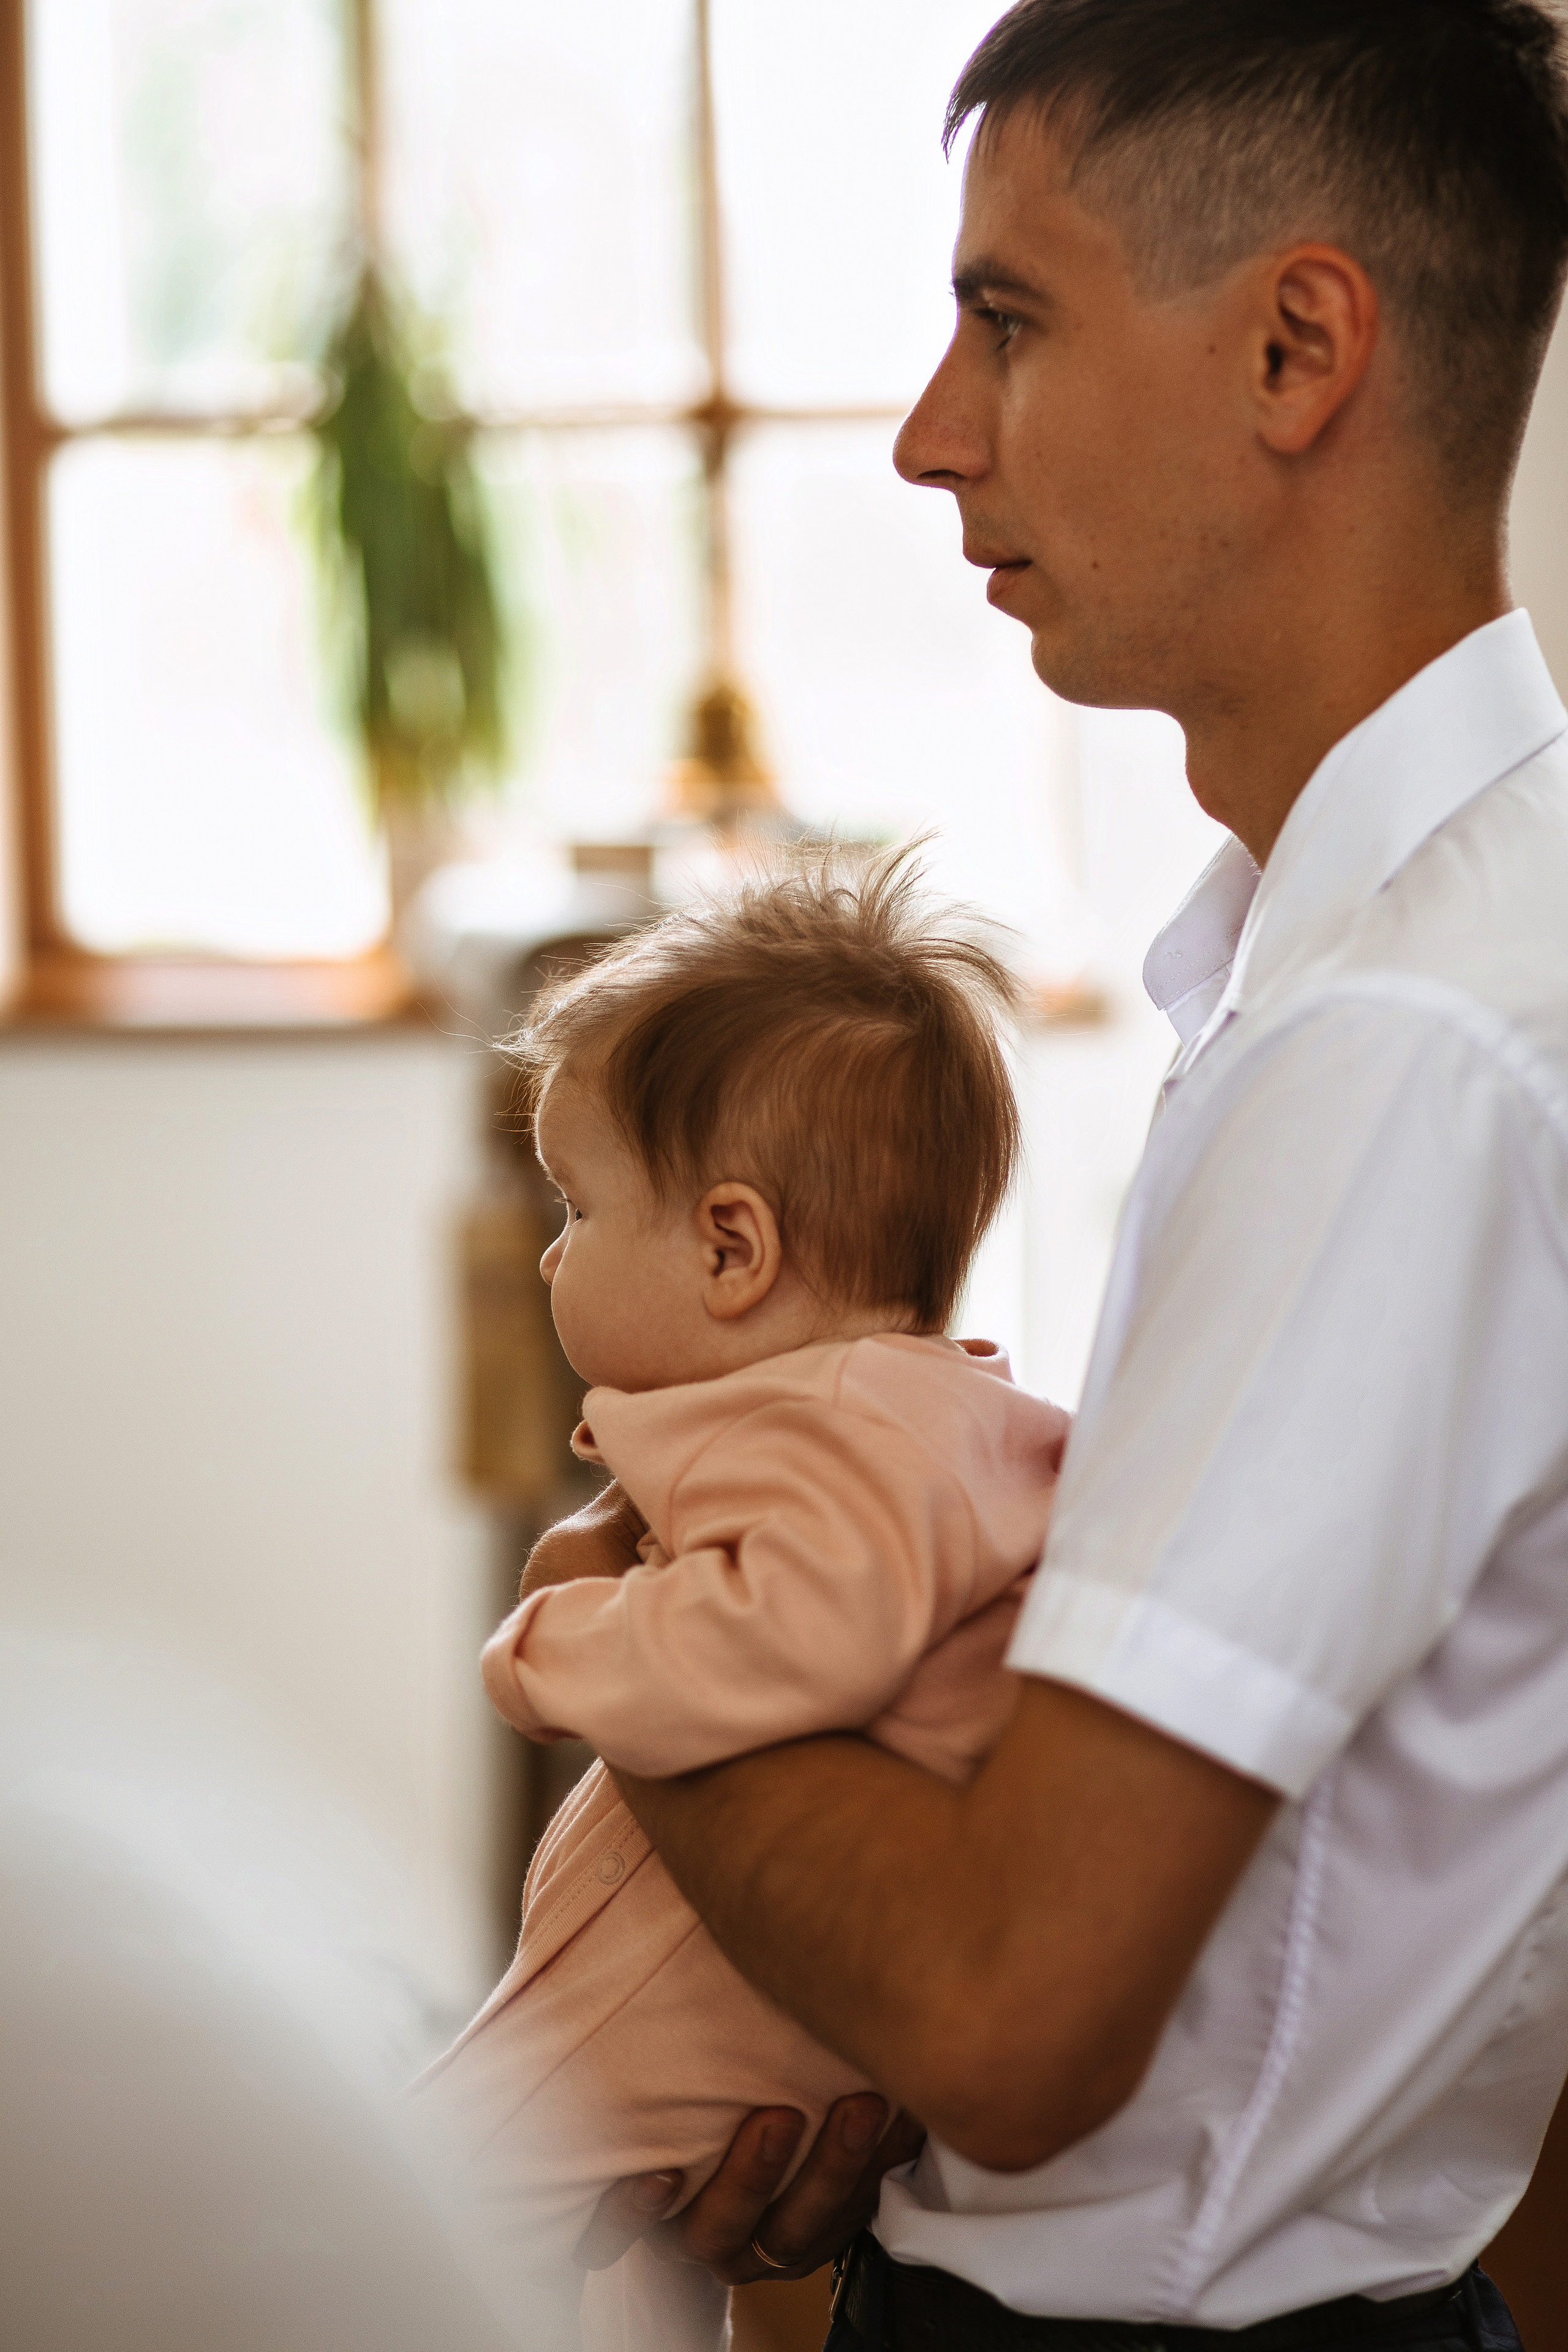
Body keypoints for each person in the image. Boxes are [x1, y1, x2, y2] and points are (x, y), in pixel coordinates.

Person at [524, 3, 1568, 2347]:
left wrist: (634, 1627)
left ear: (1299, 349)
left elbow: (1016, 2013)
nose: (929, 433)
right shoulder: (1401, 945)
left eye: (1008, 319)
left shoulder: (1403, 1045)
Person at [417, 856, 1069, 2352]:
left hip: (712, 1986)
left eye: (577, 1205)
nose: (550, 1250)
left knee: (398, 2201)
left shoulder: (835, 1430)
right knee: (628, 2267)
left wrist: (555, 1637)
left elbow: (795, 1639)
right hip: (741, 1990)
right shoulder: (919, 1418)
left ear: (730, 1249)